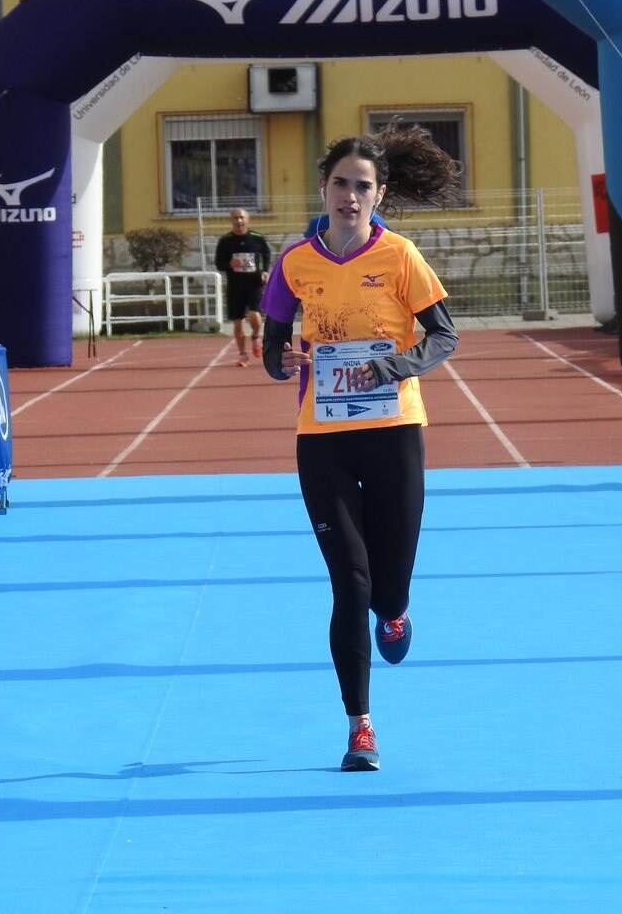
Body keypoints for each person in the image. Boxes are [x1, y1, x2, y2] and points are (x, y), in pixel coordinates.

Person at [260, 123, 461, 772]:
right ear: (324, 186)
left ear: (379, 194)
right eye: (341, 183)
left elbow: (444, 336)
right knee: (349, 583)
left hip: (395, 432)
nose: (350, 195)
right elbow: (269, 348)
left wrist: (400, 364)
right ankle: (360, 726)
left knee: (385, 586)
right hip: (323, 440)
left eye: (363, 186)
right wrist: (281, 360)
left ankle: (397, 612)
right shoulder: (294, 261)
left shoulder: (401, 255)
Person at [214, 208, 271, 366]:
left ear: (247, 220)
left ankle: (255, 336)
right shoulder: (225, 240)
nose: (239, 221)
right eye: (235, 218)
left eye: (241, 218)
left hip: (254, 283)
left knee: (254, 315)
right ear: (231, 221)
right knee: (238, 322)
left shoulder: (257, 238)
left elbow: (266, 256)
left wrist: (265, 271)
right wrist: (229, 264)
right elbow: (219, 264)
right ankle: (242, 354)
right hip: (235, 285)